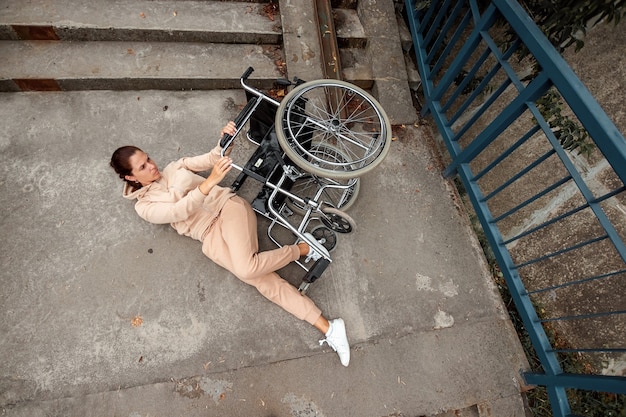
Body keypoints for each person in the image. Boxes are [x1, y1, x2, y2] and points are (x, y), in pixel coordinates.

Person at [110, 121, 350, 366]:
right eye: (143, 166)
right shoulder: (144, 207)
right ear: (131, 177)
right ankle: (329, 327)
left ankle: (303, 249)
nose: (152, 166)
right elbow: (178, 211)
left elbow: (212, 158)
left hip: (227, 208)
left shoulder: (174, 167)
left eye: (148, 158)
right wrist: (207, 183)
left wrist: (225, 140)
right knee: (261, 280)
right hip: (208, 236)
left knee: (247, 268)